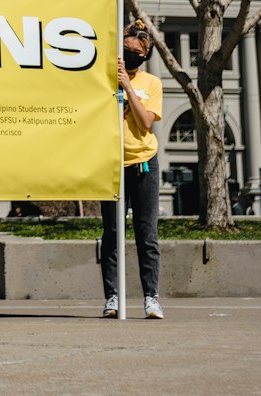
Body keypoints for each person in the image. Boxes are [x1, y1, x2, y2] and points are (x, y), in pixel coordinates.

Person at [101, 20, 164, 320]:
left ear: (145, 54)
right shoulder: (103, 78)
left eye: (136, 52)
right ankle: (112, 297)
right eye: (125, 50)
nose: (130, 55)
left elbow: (146, 122)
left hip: (144, 164)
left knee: (146, 234)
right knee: (112, 233)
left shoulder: (150, 83)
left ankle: (151, 297)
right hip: (112, 165)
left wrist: (127, 85)